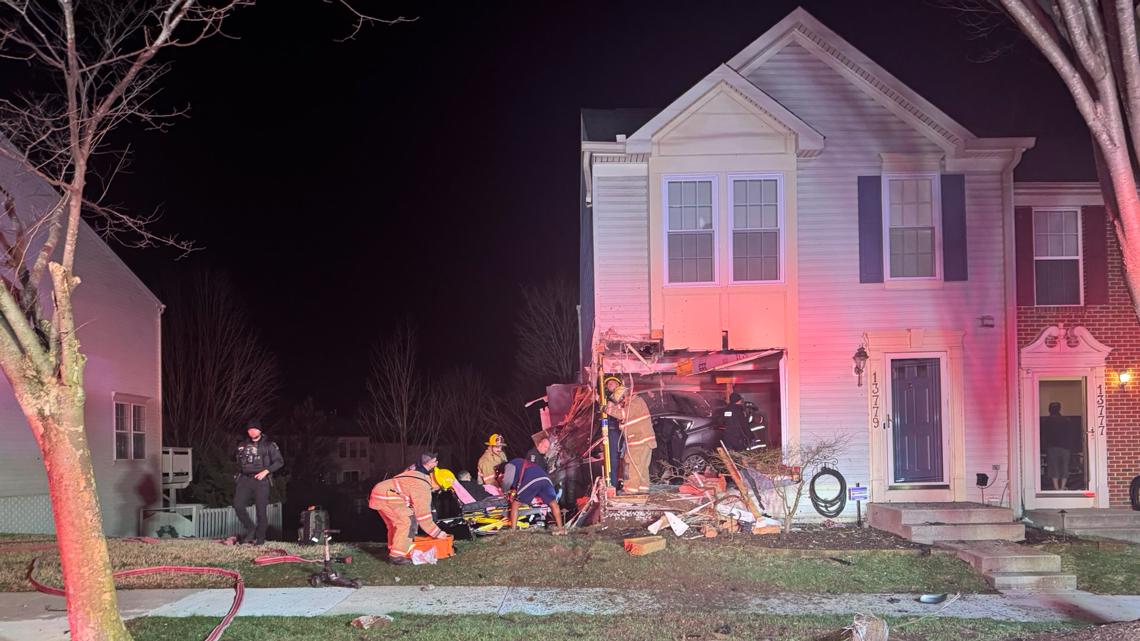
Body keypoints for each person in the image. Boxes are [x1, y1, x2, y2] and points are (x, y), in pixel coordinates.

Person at [369, 452, 450, 565]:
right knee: (409, 521)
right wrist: (438, 533)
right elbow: (423, 517)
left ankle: (394, 548)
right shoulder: (423, 487)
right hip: (388, 496)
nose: (438, 491)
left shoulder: (418, 475)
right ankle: (397, 556)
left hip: (381, 492)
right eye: (440, 488)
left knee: (396, 524)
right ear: (438, 483)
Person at [232, 419, 284, 545]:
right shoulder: (242, 445)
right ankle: (250, 528)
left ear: (260, 430)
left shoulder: (269, 445)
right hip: (245, 479)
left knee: (261, 511)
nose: (252, 431)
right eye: (249, 429)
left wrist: (266, 471)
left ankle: (260, 539)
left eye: (254, 429)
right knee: (238, 505)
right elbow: (236, 461)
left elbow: (279, 462)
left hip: (261, 481)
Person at [501, 437, 566, 535]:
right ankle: (560, 529)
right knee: (553, 503)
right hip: (546, 479)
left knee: (515, 504)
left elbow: (507, 481)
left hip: (533, 480)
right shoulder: (526, 461)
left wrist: (505, 492)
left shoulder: (510, 464)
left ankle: (513, 532)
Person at [609, 383, 656, 495]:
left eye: (620, 401)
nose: (620, 404)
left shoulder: (636, 402)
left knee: (632, 466)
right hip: (641, 441)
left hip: (639, 441)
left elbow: (621, 415)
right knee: (642, 468)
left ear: (625, 396)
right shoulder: (633, 404)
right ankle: (642, 490)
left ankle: (630, 491)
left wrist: (607, 408)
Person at [1041, 402, 1080, 490]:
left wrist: (1044, 447)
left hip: (1052, 447)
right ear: (1059, 409)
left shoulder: (1046, 421)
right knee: (1064, 467)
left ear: (1049, 410)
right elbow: (1071, 435)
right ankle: (1062, 488)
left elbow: (1044, 436)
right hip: (1065, 447)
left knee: (1053, 467)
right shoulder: (1066, 420)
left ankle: (1056, 488)